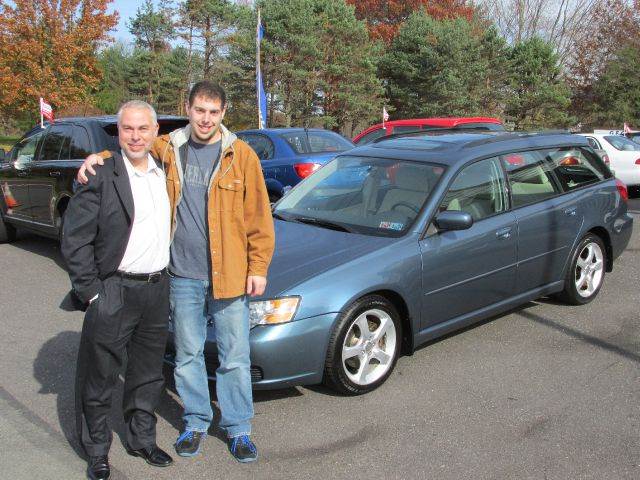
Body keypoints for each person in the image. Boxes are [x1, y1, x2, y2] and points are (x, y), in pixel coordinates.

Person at [78, 81, 275, 463]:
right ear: (188, 108)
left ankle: (238, 429)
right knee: (188, 355)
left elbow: (259, 218)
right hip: (182, 274)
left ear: (223, 113)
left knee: (234, 356)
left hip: (230, 275)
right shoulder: (168, 146)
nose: (206, 119)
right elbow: (129, 147)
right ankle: (197, 421)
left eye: (213, 112)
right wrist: (96, 157)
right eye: (200, 110)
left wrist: (259, 266)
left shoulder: (242, 155)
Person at [62, 101, 174, 480]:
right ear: (118, 131)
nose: (136, 136)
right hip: (114, 291)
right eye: (128, 129)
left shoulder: (166, 170)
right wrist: (92, 292)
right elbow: (75, 240)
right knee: (101, 377)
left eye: (143, 128)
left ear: (156, 130)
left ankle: (141, 440)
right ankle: (96, 451)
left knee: (146, 375)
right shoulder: (100, 172)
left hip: (157, 290)